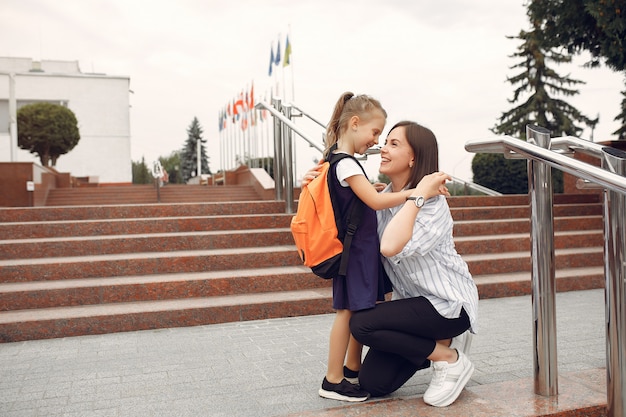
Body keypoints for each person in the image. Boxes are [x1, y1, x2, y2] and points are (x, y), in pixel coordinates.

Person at [313, 93, 449, 403]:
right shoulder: (346, 163)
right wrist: (417, 191)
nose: (376, 143)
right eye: (376, 133)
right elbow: (374, 202)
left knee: (361, 308)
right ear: (355, 123)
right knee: (348, 312)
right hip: (356, 253)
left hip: (362, 252)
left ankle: (351, 369)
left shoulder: (339, 161)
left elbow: (363, 197)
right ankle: (332, 379)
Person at [348, 120, 479, 408]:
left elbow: (390, 246)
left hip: (448, 304)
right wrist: (316, 180)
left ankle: (449, 358)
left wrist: (418, 194)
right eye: (386, 142)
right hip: (413, 304)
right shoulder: (384, 199)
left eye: (394, 144)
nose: (383, 148)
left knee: (362, 324)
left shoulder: (432, 204)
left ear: (413, 157)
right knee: (375, 384)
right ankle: (439, 344)